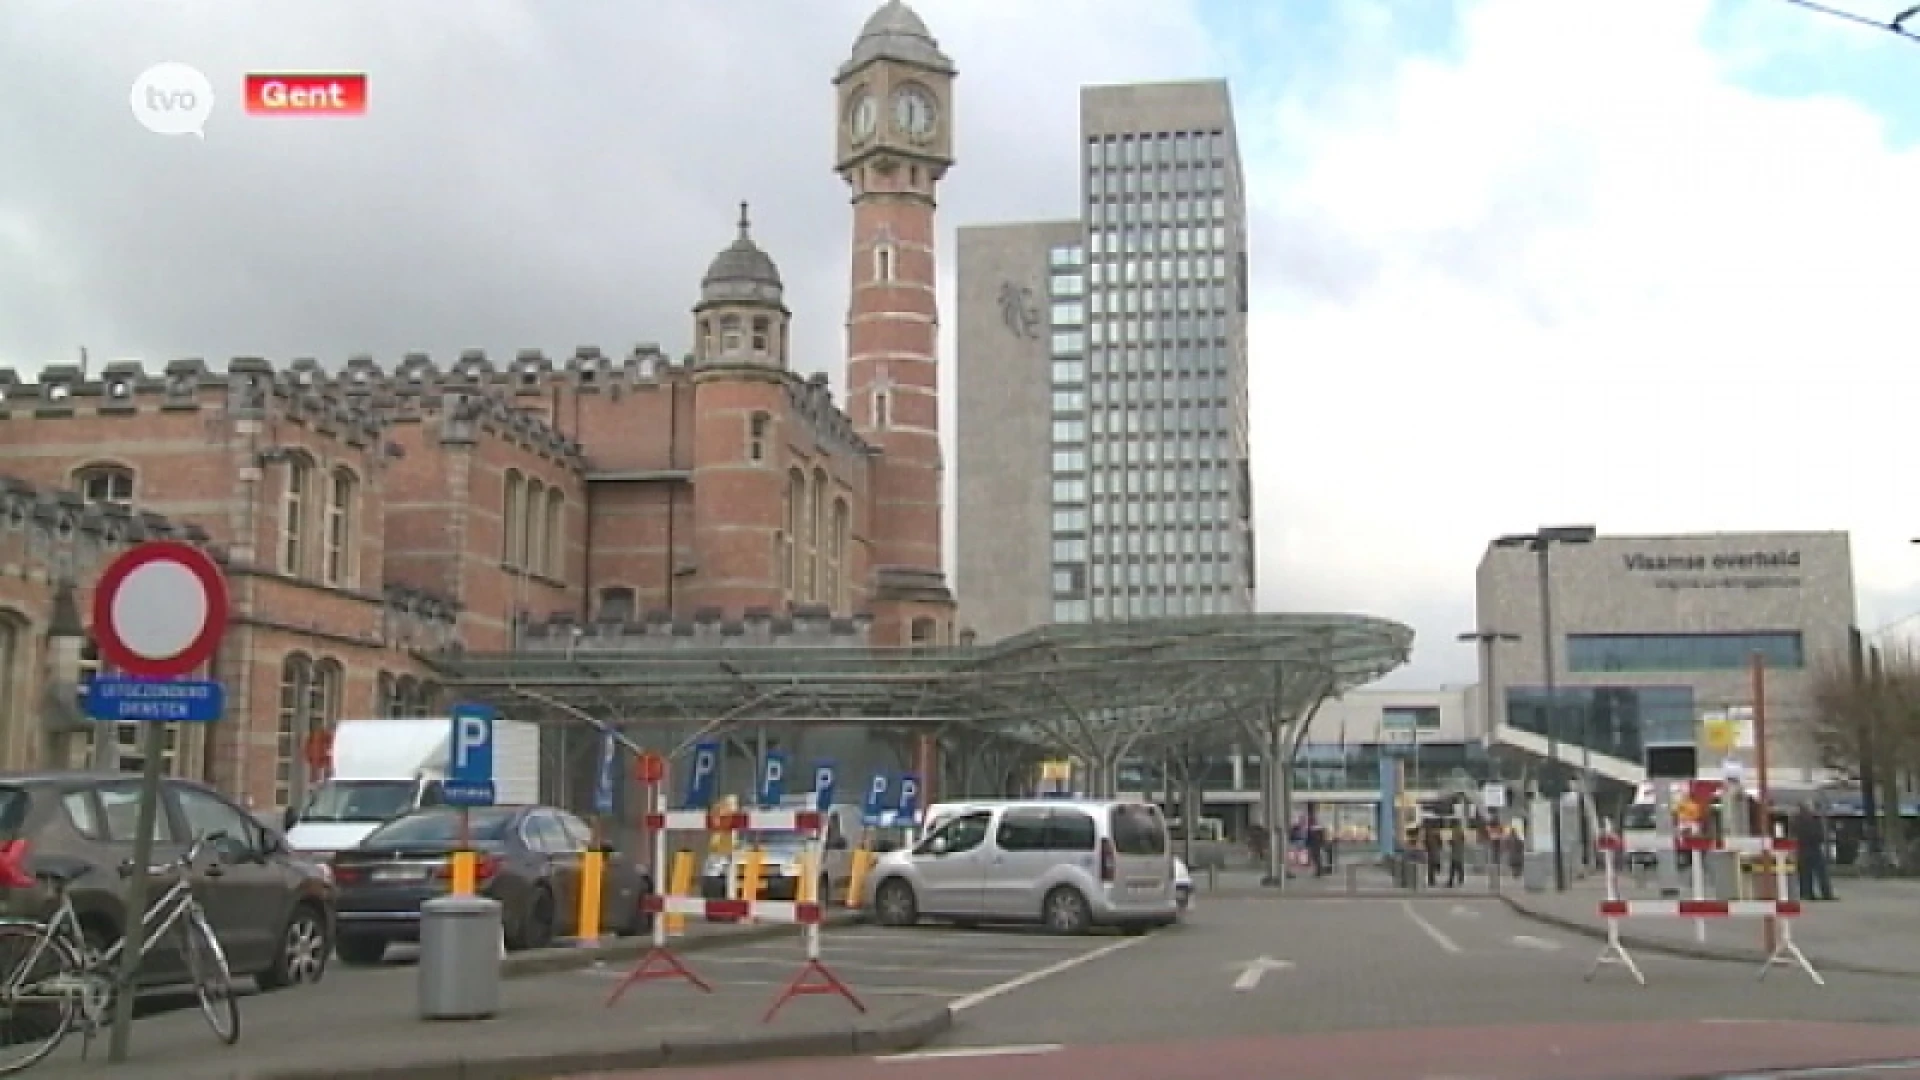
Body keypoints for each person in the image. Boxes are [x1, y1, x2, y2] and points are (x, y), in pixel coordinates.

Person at [1792, 804, 1835, 902]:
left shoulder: (1795, 821)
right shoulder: (1814, 820)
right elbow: (1820, 835)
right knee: (1821, 872)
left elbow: (1794, 833)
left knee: (1805, 873)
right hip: (1814, 848)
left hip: (1802, 849)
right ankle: (1826, 894)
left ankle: (1807, 893)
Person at [1446, 822, 1467, 888]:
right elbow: (1461, 840)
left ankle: (1451, 882)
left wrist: (1450, 841)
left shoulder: (1456, 832)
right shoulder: (1460, 832)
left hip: (1455, 854)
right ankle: (1459, 879)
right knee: (1458, 867)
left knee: (1453, 868)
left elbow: (1453, 842)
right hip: (1458, 853)